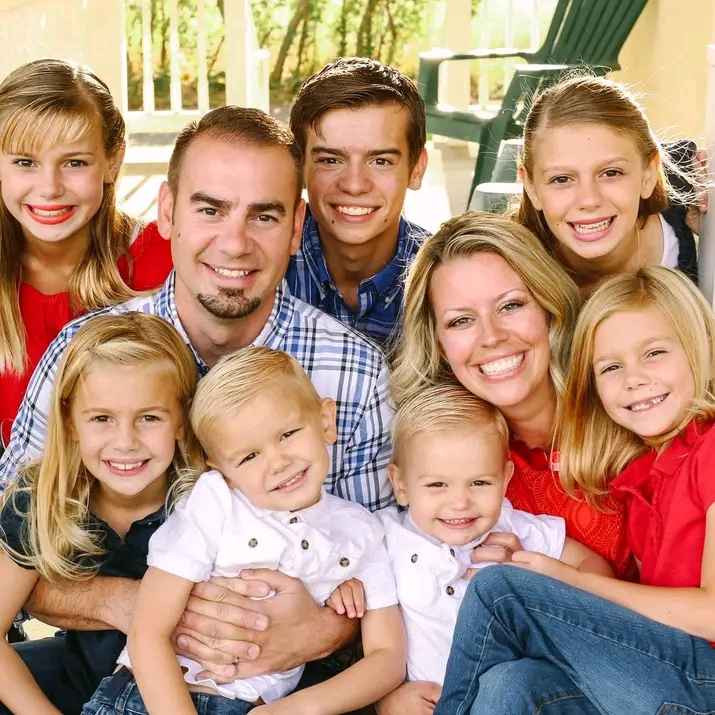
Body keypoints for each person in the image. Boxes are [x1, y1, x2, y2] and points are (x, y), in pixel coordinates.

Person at [1, 106, 393, 691]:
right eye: (210, 209)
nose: (234, 243)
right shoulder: (85, 354)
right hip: (102, 663)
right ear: (167, 212)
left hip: (275, 683)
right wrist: (135, 607)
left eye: (263, 216)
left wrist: (318, 631)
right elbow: (12, 536)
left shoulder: (354, 373)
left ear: (295, 230)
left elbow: (385, 561)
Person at [435, 266, 715, 714]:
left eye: (655, 353)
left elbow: (711, 612)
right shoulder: (643, 474)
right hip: (666, 670)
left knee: (500, 590)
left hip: (704, 680)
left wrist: (571, 582)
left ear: (699, 348)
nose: (633, 379)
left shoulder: (711, 450)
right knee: (512, 684)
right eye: (611, 367)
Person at [381, 211, 630, 714]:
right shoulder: (448, 463)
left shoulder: (629, 411)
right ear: (439, 342)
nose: (491, 336)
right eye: (460, 321)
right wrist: (391, 693)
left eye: (511, 305)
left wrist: (540, 580)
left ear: (549, 308)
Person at [84, 347, 404, 715]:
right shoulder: (217, 503)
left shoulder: (361, 531)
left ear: (326, 420)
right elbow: (148, 632)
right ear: (220, 468)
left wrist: (297, 709)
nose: (278, 462)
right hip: (148, 699)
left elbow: (388, 657)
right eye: (249, 456)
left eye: (288, 433)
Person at [0, 313, 200, 715]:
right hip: (78, 693)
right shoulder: (42, 498)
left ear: (181, 420)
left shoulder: (208, 500)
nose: (125, 442)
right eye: (102, 419)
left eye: (149, 418)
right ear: (71, 422)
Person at [382, 382, 611, 690]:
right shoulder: (385, 537)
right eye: (437, 485)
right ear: (401, 484)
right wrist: (392, 693)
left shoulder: (514, 528)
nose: (460, 502)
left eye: (479, 483)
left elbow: (592, 564)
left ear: (505, 479)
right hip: (432, 701)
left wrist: (544, 582)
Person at [0, 59, 172, 446]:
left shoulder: (162, 259)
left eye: (74, 162)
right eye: (25, 162)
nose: (49, 188)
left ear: (113, 160)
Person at [286, 57, 429, 346]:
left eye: (380, 161)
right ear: (299, 166)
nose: (354, 185)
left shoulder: (441, 279)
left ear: (416, 168)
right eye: (330, 160)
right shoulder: (263, 267)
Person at [516, 73, 699, 294]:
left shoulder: (695, 204)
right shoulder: (511, 273)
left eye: (611, 173)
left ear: (648, 174)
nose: (589, 200)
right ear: (531, 187)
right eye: (561, 179)